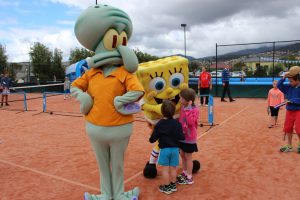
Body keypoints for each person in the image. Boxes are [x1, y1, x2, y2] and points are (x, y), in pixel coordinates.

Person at [149, 100, 185, 194]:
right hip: (175, 150)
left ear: (162, 112)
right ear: (173, 111)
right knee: (174, 168)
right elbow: (181, 137)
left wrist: (151, 138)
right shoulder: (177, 124)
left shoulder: (160, 124)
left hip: (164, 149)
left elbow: (153, 138)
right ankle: (173, 185)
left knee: (165, 169)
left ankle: (167, 187)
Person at [177, 88, 199, 185]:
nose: (180, 100)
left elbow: (190, 122)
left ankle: (189, 177)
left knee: (188, 157)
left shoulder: (194, 110)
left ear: (187, 100)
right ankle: (185, 172)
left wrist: (188, 110)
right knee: (182, 155)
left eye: (181, 98)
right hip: (182, 137)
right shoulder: (182, 107)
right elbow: (180, 120)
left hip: (190, 138)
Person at [277, 66, 300, 153]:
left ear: (298, 80)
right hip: (290, 110)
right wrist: (283, 78)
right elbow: (279, 86)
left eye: (291, 81)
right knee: (288, 128)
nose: (289, 82)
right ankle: (289, 146)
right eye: (288, 81)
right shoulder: (289, 87)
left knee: (299, 128)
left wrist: (293, 101)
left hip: (298, 111)